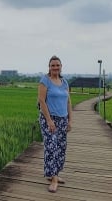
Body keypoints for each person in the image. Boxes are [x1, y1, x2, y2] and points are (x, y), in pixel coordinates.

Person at [37, 55, 72, 193]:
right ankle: (54, 179)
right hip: (49, 119)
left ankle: (54, 173)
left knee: (61, 147)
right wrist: (49, 121)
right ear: (49, 67)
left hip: (63, 119)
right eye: (53, 65)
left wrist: (70, 120)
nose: (55, 67)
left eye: (57, 65)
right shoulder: (45, 81)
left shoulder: (64, 83)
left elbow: (68, 102)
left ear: (61, 66)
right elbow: (41, 101)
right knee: (52, 147)